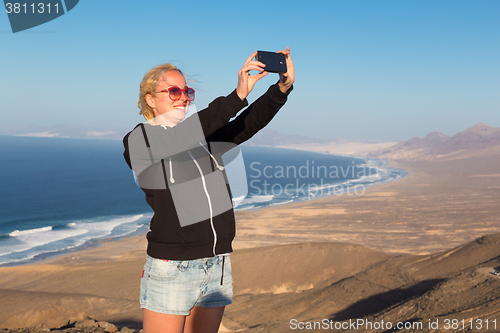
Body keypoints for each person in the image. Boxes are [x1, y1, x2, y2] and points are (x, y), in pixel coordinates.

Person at [123, 48, 294, 333]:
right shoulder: (140, 141)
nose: (184, 98)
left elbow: (247, 123)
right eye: (174, 91)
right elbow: (185, 134)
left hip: (216, 263)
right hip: (172, 266)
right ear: (150, 100)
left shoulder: (204, 138)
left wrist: (281, 88)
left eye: (187, 91)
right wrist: (236, 96)